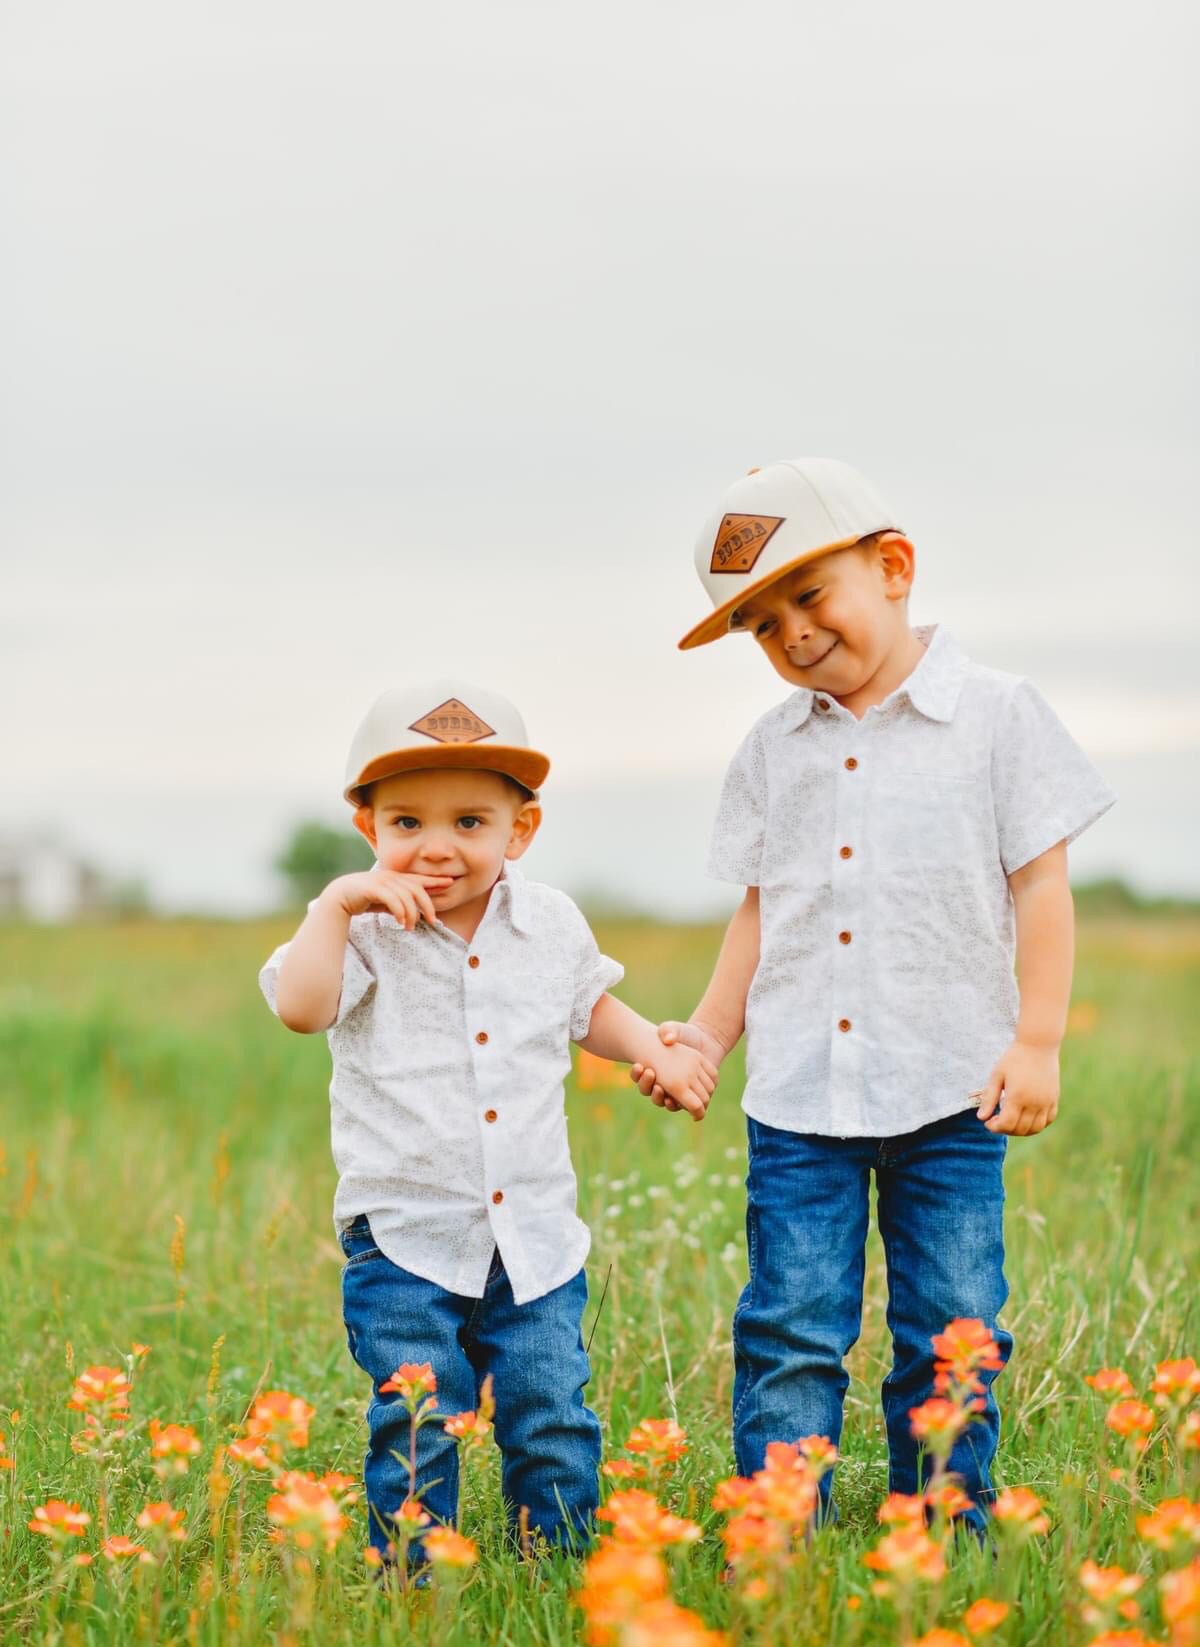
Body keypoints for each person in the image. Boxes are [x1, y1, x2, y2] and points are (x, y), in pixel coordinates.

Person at [632, 459, 1114, 1528]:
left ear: (893, 567)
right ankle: (779, 1524)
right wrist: (709, 1034)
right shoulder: (773, 750)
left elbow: (1042, 885)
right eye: (761, 623)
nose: (792, 633)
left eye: (810, 595)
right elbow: (764, 908)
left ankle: (942, 1518)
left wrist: (1037, 1043)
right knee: (793, 1321)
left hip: (952, 1088)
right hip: (801, 1096)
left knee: (953, 1319)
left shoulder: (997, 716)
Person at [260, 681, 717, 1559]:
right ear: (370, 831)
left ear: (521, 831)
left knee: (551, 1408)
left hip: (535, 1235)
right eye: (407, 824)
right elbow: (301, 1009)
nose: (437, 847)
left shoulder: (549, 923)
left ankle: (556, 1563)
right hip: (403, 1235)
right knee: (420, 1415)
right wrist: (333, 906)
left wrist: (651, 1050)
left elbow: (590, 1008)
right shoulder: (357, 934)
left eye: (469, 822)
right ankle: (415, 1576)